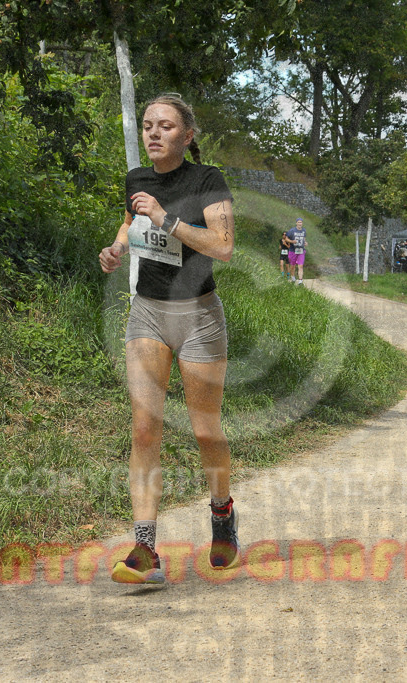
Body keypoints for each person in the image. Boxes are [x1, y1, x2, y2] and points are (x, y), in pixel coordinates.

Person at [98, 94, 239, 585]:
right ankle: (144, 548)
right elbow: (132, 221)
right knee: (144, 429)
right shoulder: (137, 180)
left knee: (205, 430)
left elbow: (222, 246)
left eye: (165, 126)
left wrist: (166, 219)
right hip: (147, 313)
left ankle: (222, 513)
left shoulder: (207, 180)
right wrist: (117, 247)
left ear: (188, 135)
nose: (153, 133)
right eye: (147, 126)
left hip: (199, 316)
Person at [286, 218, 307, 284]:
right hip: (293, 250)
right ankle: (293, 278)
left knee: (300, 266)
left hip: (301, 250)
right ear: (296, 223)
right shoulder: (292, 230)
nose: (300, 223)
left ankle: (300, 281)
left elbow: (304, 238)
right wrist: (292, 241)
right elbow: (286, 239)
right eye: (298, 222)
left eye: (301, 222)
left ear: (302, 223)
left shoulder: (304, 230)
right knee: (292, 266)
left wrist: (305, 243)